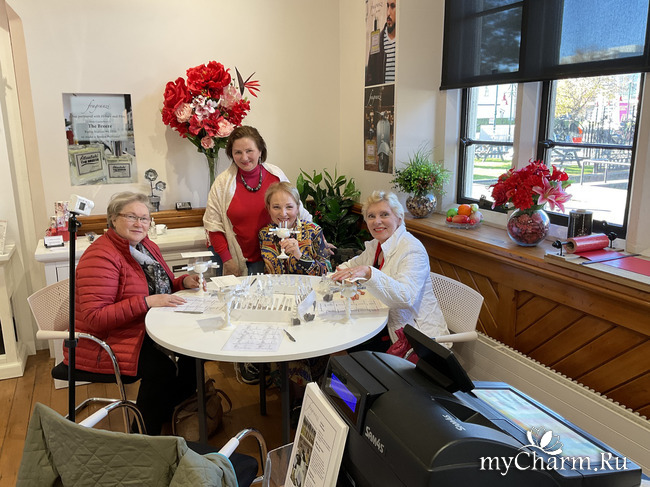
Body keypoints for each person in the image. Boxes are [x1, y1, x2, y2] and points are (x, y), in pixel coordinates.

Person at [68, 192, 202, 435]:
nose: (139, 224)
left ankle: (168, 412)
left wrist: (182, 282)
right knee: (162, 370)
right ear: (113, 219)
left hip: (140, 327)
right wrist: (146, 303)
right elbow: (95, 318)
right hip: (104, 340)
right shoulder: (101, 255)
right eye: (131, 217)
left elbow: (160, 286)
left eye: (145, 218)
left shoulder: (145, 246)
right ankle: (142, 437)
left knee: (194, 354)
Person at [331, 190, 449, 352]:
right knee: (341, 331)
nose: (377, 221)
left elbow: (405, 297)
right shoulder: (376, 245)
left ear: (399, 218)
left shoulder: (412, 249)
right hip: (381, 323)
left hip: (411, 337)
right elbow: (349, 266)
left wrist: (369, 273)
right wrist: (346, 279)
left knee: (345, 339)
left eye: (384, 214)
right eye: (371, 216)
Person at [203, 126, 311, 277]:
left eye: (249, 151)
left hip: (273, 256)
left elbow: (298, 211)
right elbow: (213, 225)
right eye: (238, 152)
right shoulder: (222, 183)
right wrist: (228, 261)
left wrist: (320, 240)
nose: (244, 157)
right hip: (236, 258)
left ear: (260, 151)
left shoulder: (276, 175)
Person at [259, 182, 330, 276]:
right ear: (268, 208)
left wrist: (299, 256)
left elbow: (327, 271)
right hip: (274, 285)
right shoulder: (264, 234)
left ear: (297, 208)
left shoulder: (313, 231)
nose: (283, 213)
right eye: (276, 207)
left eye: (289, 207)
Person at [366, 0, 397, 86]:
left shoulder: (404, 41)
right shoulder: (377, 41)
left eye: (393, 6)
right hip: (382, 94)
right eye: (387, 6)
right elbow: (370, 79)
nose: (388, 13)